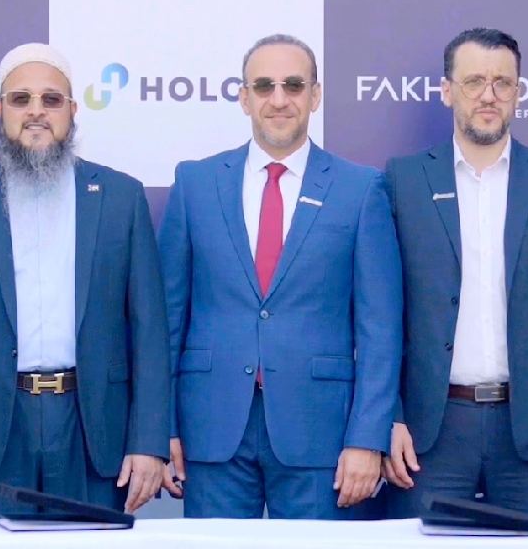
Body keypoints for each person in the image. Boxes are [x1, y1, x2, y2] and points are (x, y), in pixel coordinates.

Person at [0, 44, 169, 519]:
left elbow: (150, 332)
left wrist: (149, 441)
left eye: (51, 100)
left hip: (92, 429)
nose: (36, 112)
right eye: (21, 99)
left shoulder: (120, 197)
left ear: (73, 112)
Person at [158, 33, 400, 519]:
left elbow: (381, 328)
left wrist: (367, 438)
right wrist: (161, 429)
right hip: (212, 430)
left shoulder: (360, 189)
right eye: (264, 86)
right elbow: (166, 320)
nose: (279, 99)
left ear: (315, 95)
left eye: (293, 85)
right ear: (244, 97)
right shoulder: (195, 184)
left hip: (322, 435)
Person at [383, 28, 528, 521]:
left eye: (503, 83)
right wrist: (389, 418)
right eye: (474, 81)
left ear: (519, 93)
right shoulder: (402, 179)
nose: (489, 95)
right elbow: (381, 313)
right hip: (428, 430)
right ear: (446, 91)